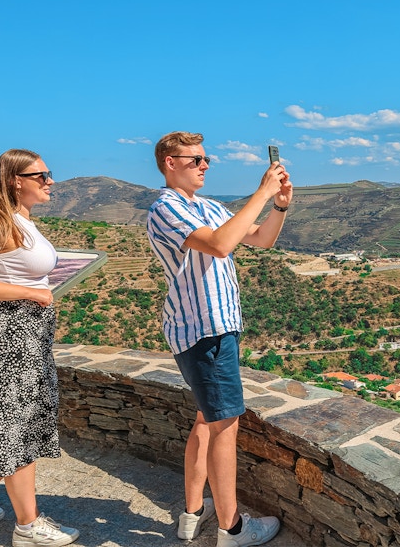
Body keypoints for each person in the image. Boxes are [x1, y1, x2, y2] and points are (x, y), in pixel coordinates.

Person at [147, 132, 293, 547]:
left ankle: (193, 514)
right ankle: (232, 530)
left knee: (206, 421)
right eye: (196, 160)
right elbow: (220, 244)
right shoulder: (165, 208)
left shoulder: (208, 207)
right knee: (225, 425)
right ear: (169, 162)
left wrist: (279, 204)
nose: (205, 165)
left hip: (216, 326)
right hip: (203, 329)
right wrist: (262, 192)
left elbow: (262, 239)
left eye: (206, 159)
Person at [0, 149, 79, 547]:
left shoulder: (23, 221)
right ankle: (28, 527)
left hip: (27, 336)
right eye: (40, 175)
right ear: (14, 180)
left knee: (15, 424)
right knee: (17, 427)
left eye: (48, 174)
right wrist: (27, 292)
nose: (50, 181)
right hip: (8, 339)